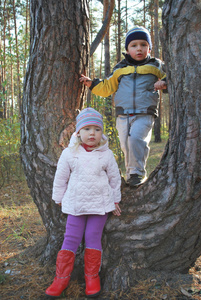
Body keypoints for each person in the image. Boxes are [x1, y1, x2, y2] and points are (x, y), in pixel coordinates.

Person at [45, 107, 121, 298]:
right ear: (79, 132)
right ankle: (61, 278)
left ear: (101, 132)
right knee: (71, 238)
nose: (92, 133)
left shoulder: (107, 154)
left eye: (96, 129)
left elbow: (114, 179)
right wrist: (59, 198)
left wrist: (116, 200)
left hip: (99, 206)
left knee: (92, 238)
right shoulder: (70, 153)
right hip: (76, 204)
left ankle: (91, 277)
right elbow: (60, 177)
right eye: (87, 129)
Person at [79, 26, 167, 187]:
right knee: (126, 144)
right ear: (127, 49)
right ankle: (131, 173)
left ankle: (137, 173)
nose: (139, 48)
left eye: (143, 45)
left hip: (144, 112)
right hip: (123, 114)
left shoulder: (156, 65)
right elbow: (107, 87)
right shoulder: (120, 68)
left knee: (136, 140)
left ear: (149, 48)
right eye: (134, 45)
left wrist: (165, 82)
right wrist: (91, 84)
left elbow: (173, 76)